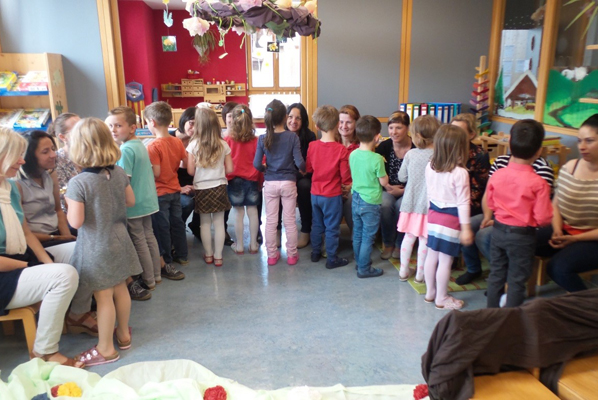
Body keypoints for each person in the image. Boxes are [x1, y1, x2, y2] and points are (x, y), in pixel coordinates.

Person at [0, 127, 83, 368]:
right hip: (7, 271)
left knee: (81, 249)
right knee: (63, 275)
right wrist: (33, 266)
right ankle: (45, 352)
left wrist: (46, 263)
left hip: (18, 258)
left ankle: (78, 315)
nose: (22, 160)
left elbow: (26, 233)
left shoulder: (8, 188)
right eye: (16, 155)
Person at [66, 117, 142, 367]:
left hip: (97, 245)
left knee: (103, 296)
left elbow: (76, 222)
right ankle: (123, 334)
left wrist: (69, 202)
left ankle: (106, 348)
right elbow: (130, 201)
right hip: (120, 239)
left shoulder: (78, 183)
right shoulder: (118, 172)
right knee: (120, 288)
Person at [456, 152, 555, 285]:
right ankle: (474, 269)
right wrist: (487, 217)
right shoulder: (501, 161)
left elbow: (537, 211)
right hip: (500, 214)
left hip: (523, 222)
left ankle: (503, 276)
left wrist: (498, 221)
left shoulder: (542, 168)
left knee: (484, 236)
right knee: (466, 225)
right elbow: (489, 193)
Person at [485, 120, 552, 308]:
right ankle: (511, 319)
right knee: (516, 279)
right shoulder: (539, 183)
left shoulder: (498, 174)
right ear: (538, 151)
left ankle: (491, 314)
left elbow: (490, 203)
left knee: (496, 274)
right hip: (522, 236)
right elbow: (543, 218)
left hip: (498, 231)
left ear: (509, 144)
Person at [537, 114, 598, 292]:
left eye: (589, 141)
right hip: (565, 230)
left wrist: (575, 239)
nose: (582, 147)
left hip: (592, 239)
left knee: (558, 268)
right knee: (520, 242)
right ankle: (509, 292)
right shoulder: (570, 167)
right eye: (579, 141)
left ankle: (588, 305)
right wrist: (557, 229)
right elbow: (556, 204)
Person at [107, 106, 161, 301]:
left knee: (139, 240)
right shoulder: (139, 144)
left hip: (134, 204)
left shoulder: (126, 150)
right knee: (149, 237)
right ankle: (156, 275)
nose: (113, 130)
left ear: (132, 128)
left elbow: (124, 181)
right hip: (148, 200)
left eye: (118, 126)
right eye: (110, 126)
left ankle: (148, 279)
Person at [423, 124, 473, 310]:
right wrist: (466, 228)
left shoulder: (430, 166)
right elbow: (463, 203)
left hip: (433, 214)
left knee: (431, 255)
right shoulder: (460, 173)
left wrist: (428, 215)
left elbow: (429, 194)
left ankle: (430, 293)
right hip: (450, 219)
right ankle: (442, 298)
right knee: (445, 260)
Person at [253, 99, 305, 266]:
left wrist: (265, 168)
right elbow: (300, 162)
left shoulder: (263, 138)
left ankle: (271, 256)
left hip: (270, 183)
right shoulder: (292, 137)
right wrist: (303, 170)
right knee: (290, 221)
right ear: (284, 117)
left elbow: (256, 164)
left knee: (271, 221)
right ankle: (292, 255)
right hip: (289, 183)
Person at [306, 105, 351, 269]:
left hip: (315, 194)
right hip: (332, 195)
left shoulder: (312, 146)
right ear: (337, 124)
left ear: (317, 126)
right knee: (332, 227)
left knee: (317, 224)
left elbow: (309, 168)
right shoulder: (341, 150)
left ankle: (315, 253)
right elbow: (345, 177)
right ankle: (332, 258)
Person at [187, 108, 233, 267]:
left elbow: (190, 171)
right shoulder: (223, 144)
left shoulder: (193, 145)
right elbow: (230, 169)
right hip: (219, 186)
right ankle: (218, 256)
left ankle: (208, 255)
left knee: (204, 223)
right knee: (219, 223)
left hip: (201, 188)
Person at [396, 115, 440, 282]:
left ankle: (403, 271)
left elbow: (401, 177)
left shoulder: (411, 154)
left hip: (410, 202)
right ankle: (420, 275)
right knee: (424, 239)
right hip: (429, 205)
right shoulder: (438, 155)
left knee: (409, 237)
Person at [145, 101, 186, 280]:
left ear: (152, 122)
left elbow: (156, 173)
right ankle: (183, 255)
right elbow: (184, 162)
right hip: (175, 189)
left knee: (163, 227)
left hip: (160, 192)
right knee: (177, 223)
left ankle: (167, 260)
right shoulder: (177, 141)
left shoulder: (153, 146)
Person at [17, 131, 76, 247]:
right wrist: (58, 238)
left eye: (53, 149)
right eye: (45, 152)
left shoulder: (50, 174)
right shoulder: (18, 184)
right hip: (38, 241)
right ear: (30, 156)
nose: (53, 155)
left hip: (56, 234)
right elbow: (24, 232)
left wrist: (68, 238)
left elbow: (58, 211)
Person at [450, 114, 490, 285]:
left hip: (474, 206)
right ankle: (449, 256)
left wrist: (457, 205)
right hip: (452, 201)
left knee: (462, 223)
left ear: (471, 134)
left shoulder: (479, 155)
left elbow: (479, 189)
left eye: (459, 131)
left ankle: (473, 269)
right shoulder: (447, 150)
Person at [350, 116, 388, 278]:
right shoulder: (377, 159)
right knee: (368, 237)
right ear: (377, 137)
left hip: (356, 199)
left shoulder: (353, 154)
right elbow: (384, 182)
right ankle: (364, 268)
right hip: (370, 203)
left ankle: (359, 262)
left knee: (358, 233)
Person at [375, 111, 415, 260]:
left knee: (401, 206)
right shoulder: (384, 146)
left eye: (398, 128)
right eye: (391, 128)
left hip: (410, 190)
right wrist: (387, 187)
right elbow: (376, 172)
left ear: (407, 128)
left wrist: (404, 191)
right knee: (385, 205)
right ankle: (388, 243)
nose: (394, 132)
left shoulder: (416, 147)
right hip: (388, 188)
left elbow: (421, 177)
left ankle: (400, 244)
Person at [225, 105, 261, 255]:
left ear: (233, 121)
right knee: (253, 211)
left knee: (238, 213)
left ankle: (239, 246)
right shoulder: (257, 140)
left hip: (234, 180)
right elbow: (261, 162)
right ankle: (253, 245)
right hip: (252, 180)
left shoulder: (227, 140)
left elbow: (224, 163)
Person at [284, 103, 316, 249]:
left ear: (303, 121)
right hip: (285, 175)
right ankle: (276, 230)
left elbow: (309, 165)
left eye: (298, 118)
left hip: (303, 176)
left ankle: (305, 230)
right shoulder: (280, 134)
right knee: (275, 185)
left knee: (304, 186)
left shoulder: (309, 136)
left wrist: (298, 173)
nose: (293, 121)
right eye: (290, 117)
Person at [174, 107, 201, 238]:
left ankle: (196, 226)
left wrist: (198, 186)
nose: (194, 128)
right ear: (184, 120)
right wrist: (178, 188)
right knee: (187, 202)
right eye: (191, 123)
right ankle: (177, 228)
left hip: (194, 184)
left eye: (198, 125)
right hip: (173, 186)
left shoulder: (199, 141)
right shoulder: (170, 139)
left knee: (208, 196)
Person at [48, 112, 80, 213]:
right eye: (77, 130)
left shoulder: (92, 156)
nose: (83, 132)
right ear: (62, 137)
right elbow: (62, 199)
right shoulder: (56, 160)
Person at [338, 105, 361, 231]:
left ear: (356, 124)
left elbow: (364, 173)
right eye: (341, 122)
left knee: (352, 200)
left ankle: (356, 237)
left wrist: (350, 186)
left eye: (349, 122)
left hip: (356, 187)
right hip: (335, 186)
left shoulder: (362, 145)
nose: (344, 126)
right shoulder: (332, 144)